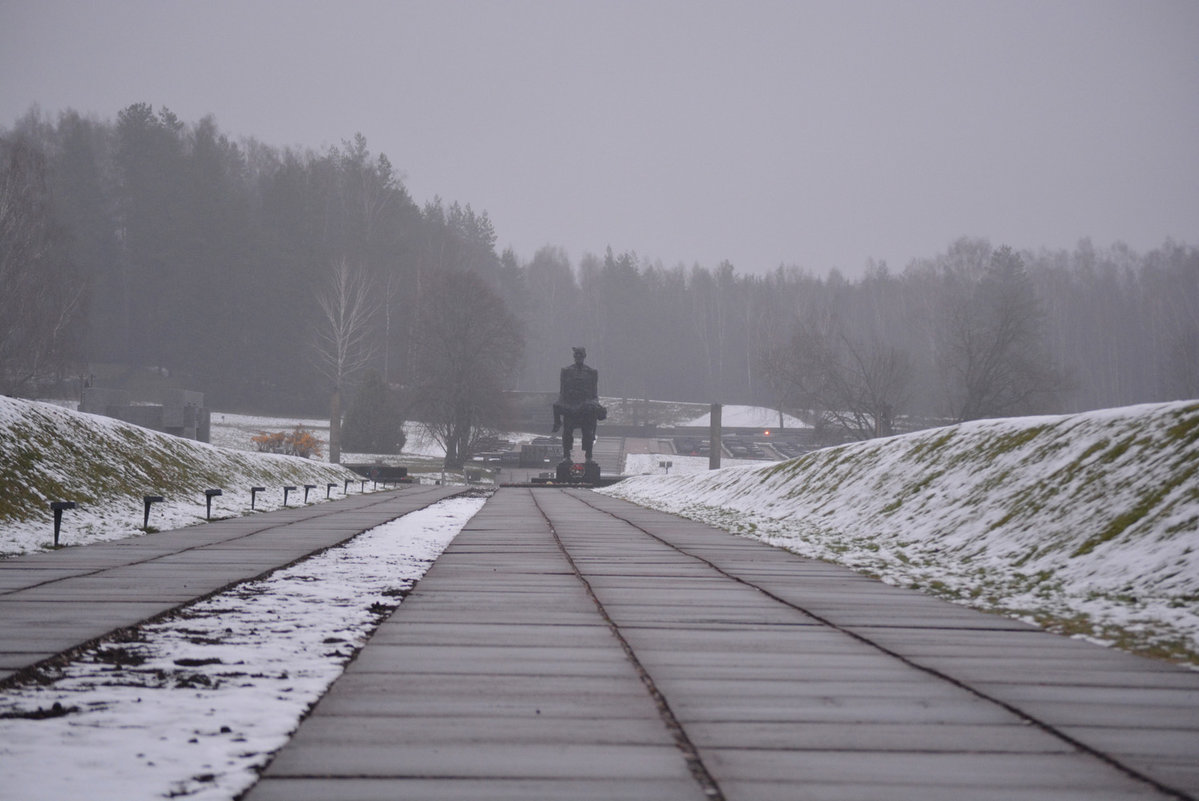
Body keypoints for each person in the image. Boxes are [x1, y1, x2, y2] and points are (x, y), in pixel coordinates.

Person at [552, 346, 605, 462]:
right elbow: (563, 392)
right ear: (574, 356)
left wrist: (595, 404)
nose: (578, 357)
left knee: (588, 432)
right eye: (576, 355)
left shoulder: (592, 373)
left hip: (585, 407)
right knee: (567, 432)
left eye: (580, 355)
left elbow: (594, 394)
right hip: (570, 406)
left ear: (584, 356)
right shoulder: (566, 371)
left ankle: (588, 456)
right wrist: (560, 404)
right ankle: (566, 455)